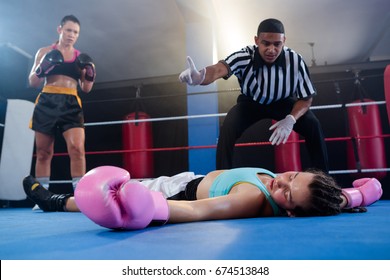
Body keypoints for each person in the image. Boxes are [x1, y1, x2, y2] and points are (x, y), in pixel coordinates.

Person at [23, 165, 382, 230]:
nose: (281, 185)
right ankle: (52, 198)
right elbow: (340, 199)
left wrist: (150, 208)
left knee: (101, 194)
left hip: (177, 191)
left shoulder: (250, 199)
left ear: (289, 213)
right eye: (291, 177)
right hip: (186, 178)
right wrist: (360, 193)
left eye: (287, 195)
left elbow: (199, 211)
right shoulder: (318, 193)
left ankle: (52, 200)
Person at [179, 18, 329, 172]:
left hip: (284, 102)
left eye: (277, 44)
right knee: (228, 127)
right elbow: (218, 69)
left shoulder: (296, 60)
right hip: (251, 103)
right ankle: (222, 178)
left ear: (284, 41)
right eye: (266, 43)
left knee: (313, 125)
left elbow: (306, 98)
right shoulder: (244, 56)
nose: (271, 49)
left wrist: (291, 119)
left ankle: (324, 181)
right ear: (257, 40)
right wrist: (199, 77)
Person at [28, 15, 96, 202]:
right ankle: (42, 197)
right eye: (68, 30)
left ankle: (81, 196)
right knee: (43, 152)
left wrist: (90, 74)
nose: (71, 35)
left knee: (77, 148)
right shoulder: (43, 52)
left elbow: (86, 89)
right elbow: (32, 82)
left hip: (71, 103)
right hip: (47, 101)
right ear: (60, 30)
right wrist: (43, 69)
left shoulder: (81, 58)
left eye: (75, 32)